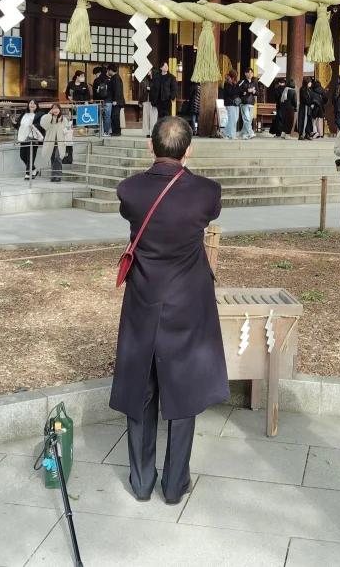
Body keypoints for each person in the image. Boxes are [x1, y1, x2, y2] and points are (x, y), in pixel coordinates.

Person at [110, 117, 227, 504]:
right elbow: (208, 215)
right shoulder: (206, 193)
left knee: (142, 390)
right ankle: (175, 484)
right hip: (188, 301)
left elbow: (136, 216)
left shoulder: (130, 190)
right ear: (188, 151)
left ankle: (141, 481)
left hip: (145, 298)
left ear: (150, 146)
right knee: (183, 390)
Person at [11, 99, 43, 180]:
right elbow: (19, 126)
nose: (32, 105)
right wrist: (14, 123)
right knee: (22, 156)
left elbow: (42, 125)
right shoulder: (24, 113)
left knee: (30, 156)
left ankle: (28, 174)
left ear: (36, 105)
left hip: (33, 138)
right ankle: (34, 170)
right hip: (23, 138)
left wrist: (34, 126)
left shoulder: (40, 114)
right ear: (28, 104)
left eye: (34, 103)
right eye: (30, 103)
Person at [39, 103, 70, 183]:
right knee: (52, 158)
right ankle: (54, 176)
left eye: (56, 108)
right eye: (53, 108)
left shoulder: (64, 120)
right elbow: (43, 124)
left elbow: (68, 129)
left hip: (60, 143)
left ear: (59, 109)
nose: (55, 110)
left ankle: (58, 175)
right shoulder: (50, 119)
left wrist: (67, 131)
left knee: (57, 157)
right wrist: (49, 115)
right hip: (51, 142)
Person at [238, 68, 258, 140]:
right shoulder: (242, 81)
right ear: (245, 73)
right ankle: (250, 132)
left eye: (251, 73)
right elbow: (238, 89)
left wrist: (254, 92)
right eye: (248, 73)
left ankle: (243, 134)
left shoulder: (254, 82)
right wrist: (247, 90)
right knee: (246, 118)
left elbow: (258, 92)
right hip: (244, 102)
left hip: (251, 103)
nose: (250, 74)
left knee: (249, 119)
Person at [92, 66, 112, 137]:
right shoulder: (110, 80)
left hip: (98, 100)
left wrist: (94, 100)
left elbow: (94, 91)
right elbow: (112, 91)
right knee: (107, 116)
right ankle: (106, 132)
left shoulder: (96, 80)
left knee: (98, 116)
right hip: (108, 100)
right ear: (106, 72)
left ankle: (98, 130)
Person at [221, 70, 240, 139]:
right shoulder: (227, 83)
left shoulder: (235, 83)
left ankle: (224, 132)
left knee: (235, 119)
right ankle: (232, 135)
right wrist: (236, 87)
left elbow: (237, 92)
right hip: (229, 103)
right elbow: (231, 93)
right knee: (232, 119)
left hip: (236, 103)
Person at [107, 63, 125, 136]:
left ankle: (117, 131)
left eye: (108, 71)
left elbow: (117, 90)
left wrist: (115, 100)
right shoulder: (115, 77)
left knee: (115, 116)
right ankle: (115, 131)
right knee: (114, 116)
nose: (108, 72)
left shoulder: (116, 78)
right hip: (117, 100)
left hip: (117, 101)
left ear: (111, 70)